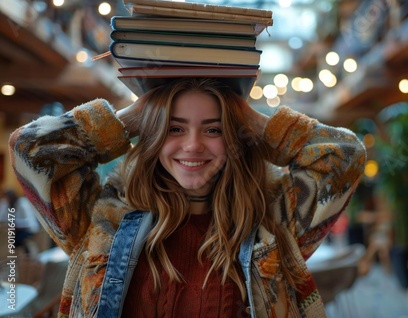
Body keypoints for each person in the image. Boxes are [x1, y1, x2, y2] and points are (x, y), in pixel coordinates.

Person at [9, 78, 366, 317]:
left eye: (213, 129)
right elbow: (29, 148)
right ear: (151, 135)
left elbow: (345, 155)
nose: (193, 145)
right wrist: (134, 117)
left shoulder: (273, 223)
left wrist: (252, 120)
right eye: (174, 128)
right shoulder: (102, 220)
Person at [0, 189, 40, 253]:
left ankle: (26, 256)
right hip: (15, 230)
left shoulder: (23, 203)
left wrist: (14, 223)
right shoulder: (6, 204)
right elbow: (2, 219)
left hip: (28, 230)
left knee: (16, 239)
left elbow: (30, 222)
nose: (8, 200)